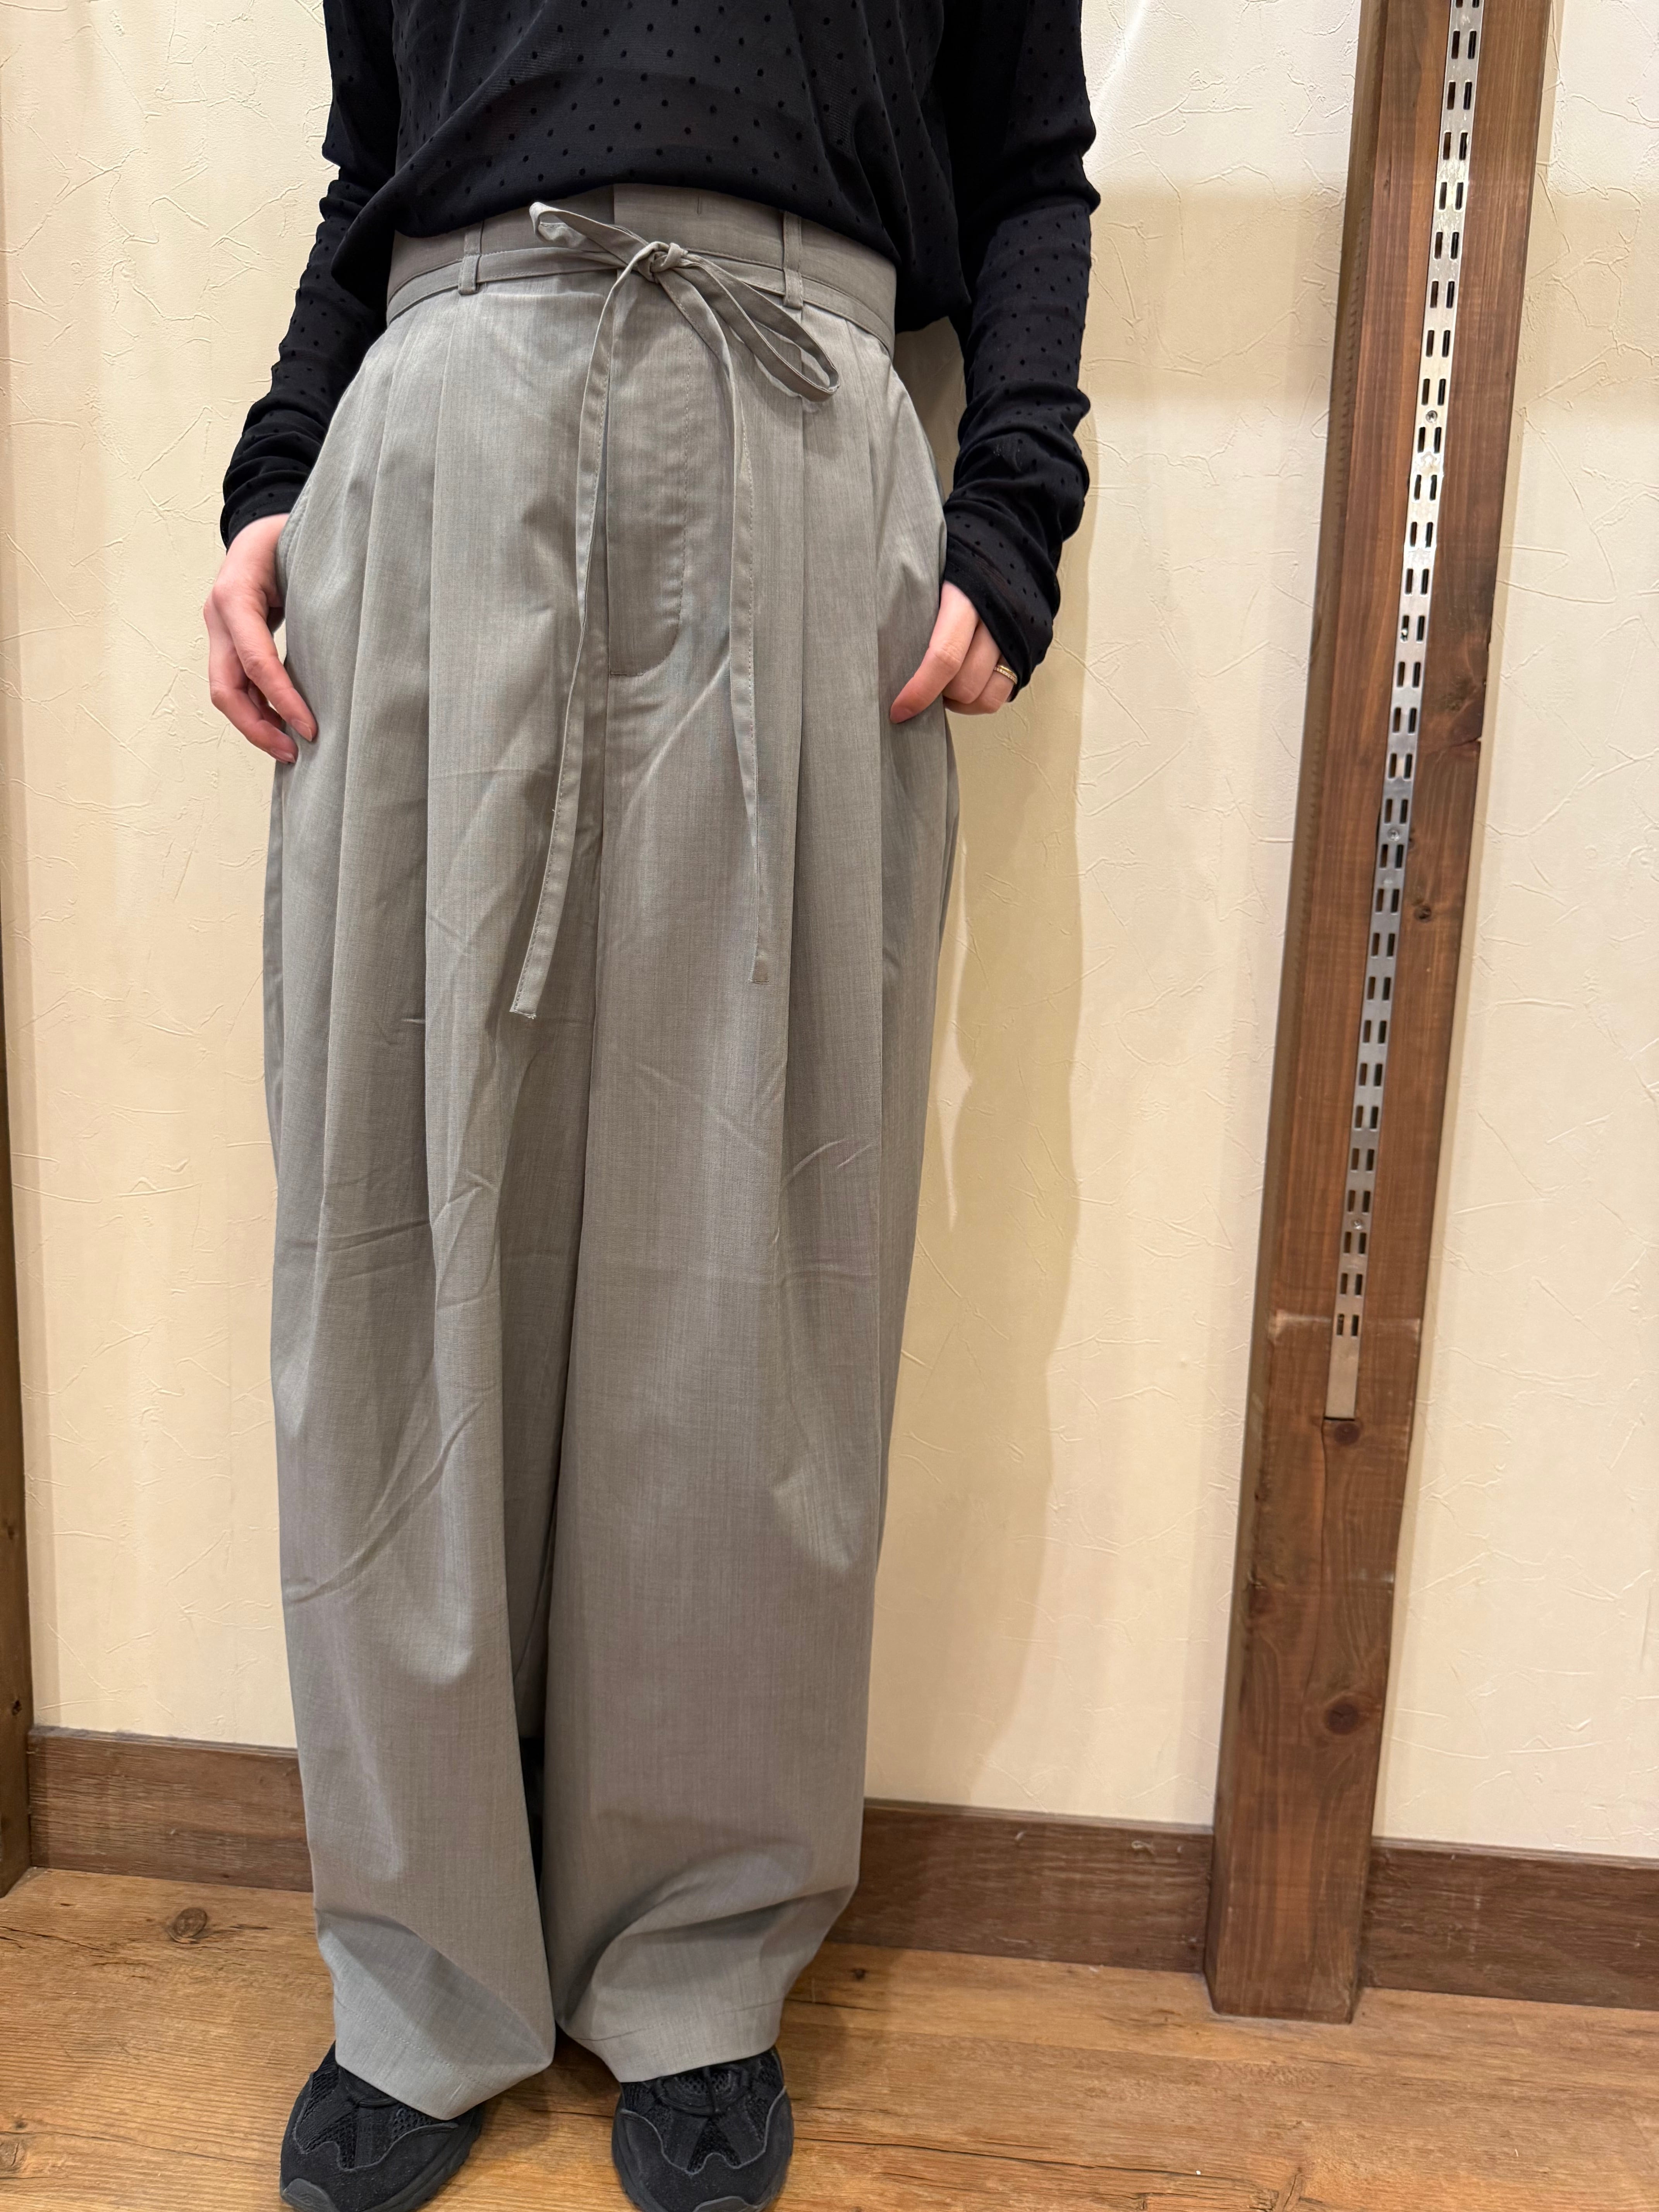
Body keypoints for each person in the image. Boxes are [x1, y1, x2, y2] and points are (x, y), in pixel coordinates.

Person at [206, 6, 1095, 2209]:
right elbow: (373, 161)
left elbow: (1026, 166)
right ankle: (418, 1962)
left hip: (797, 417)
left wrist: (1015, 511)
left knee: (748, 1236)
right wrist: (275, 472)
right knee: (400, 1214)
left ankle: (699, 1960)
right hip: (439, 424)